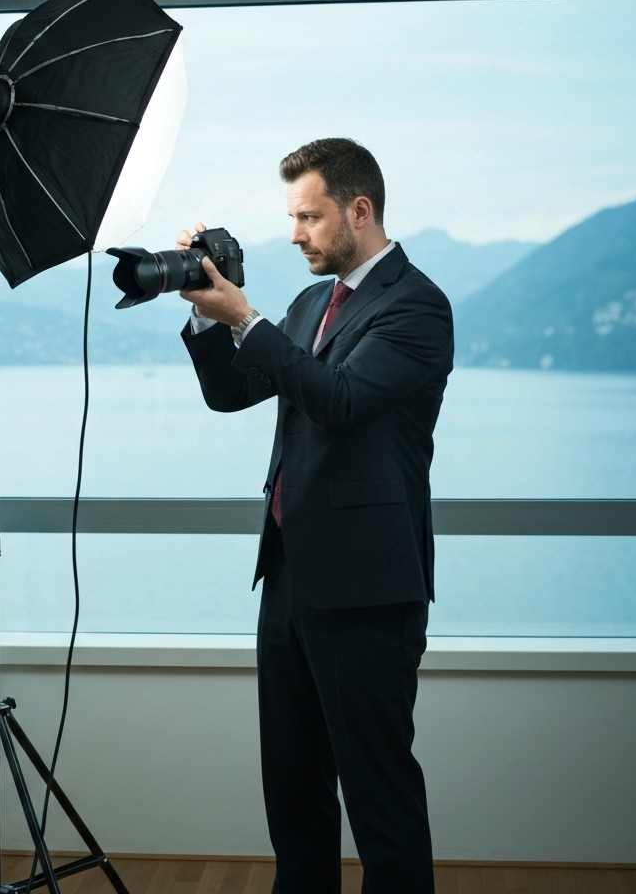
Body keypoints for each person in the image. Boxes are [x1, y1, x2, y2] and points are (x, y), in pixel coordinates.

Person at [179, 138, 453, 894]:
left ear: (359, 210)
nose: (295, 234)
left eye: (310, 216)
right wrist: (210, 314)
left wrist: (248, 318)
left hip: (368, 590)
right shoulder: (308, 305)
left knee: (380, 800)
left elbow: (339, 401)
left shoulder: (417, 306)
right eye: (292, 217)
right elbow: (231, 393)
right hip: (288, 580)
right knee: (294, 796)